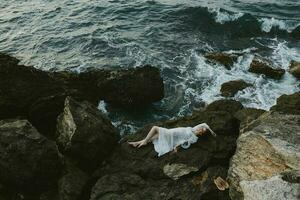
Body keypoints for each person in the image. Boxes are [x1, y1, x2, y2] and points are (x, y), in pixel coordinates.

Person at [128, 123, 216, 157]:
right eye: (201, 128)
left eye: (201, 130)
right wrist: (212, 131)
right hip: (171, 132)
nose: (200, 128)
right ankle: (138, 142)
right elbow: (205, 123)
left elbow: (185, 143)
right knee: (158, 135)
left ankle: (144, 141)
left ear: (201, 133)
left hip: (171, 135)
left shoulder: (194, 138)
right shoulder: (193, 128)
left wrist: (176, 148)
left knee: (155, 128)